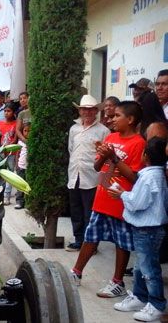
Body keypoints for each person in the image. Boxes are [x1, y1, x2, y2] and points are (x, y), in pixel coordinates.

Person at [70, 101, 145, 299]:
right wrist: (103, 156)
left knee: (121, 243)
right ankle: (76, 272)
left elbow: (135, 177)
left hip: (120, 202)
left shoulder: (138, 143)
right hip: (101, 199)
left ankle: (117, 282)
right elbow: (97, 168)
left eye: (117, 116)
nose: (112, 119)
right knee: (91, 237)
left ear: (130, 120)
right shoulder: (110, 137)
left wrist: (113, 157)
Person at [109, 137, 168, 322]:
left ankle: (157, 304)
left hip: (147, 229)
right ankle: (140, 297)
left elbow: (137, 203)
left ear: (145, 155)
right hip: (147, 228)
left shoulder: (148, 176)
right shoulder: (157, 174)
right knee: (140, 266)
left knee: (149, 269)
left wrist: (121, 194)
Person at [65, 95, 110, 251]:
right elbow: (71, 150)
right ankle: (78, 240)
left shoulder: (103, 131)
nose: (88, 112)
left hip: (92, 177)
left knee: (90, 213)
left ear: (96, 111)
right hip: (74, 175)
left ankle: (90, 244)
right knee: (75, 210)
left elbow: (106, 156)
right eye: (84, 109)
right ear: (80, 110)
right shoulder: (74, 129)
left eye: (91, 109)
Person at [0, 102, 17, 205]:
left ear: (13, 113)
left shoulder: (16, 124)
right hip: (0, 152)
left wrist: (8, 147)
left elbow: (15, 139)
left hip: (11, 153)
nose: (6, 113)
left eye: (8, 111)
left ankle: (6, 196)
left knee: (9, 174)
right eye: (5, 111)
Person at [15, 122, 30, 210]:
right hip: (21, 167)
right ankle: (19, 202)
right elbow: (17, 153)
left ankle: (27, 203)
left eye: (29, 131)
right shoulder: (20, 142)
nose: (27, 133)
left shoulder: (32, 142)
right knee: (20, 185)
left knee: (28, 185)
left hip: (29, 167)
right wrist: (17, 165)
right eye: (25, 131)